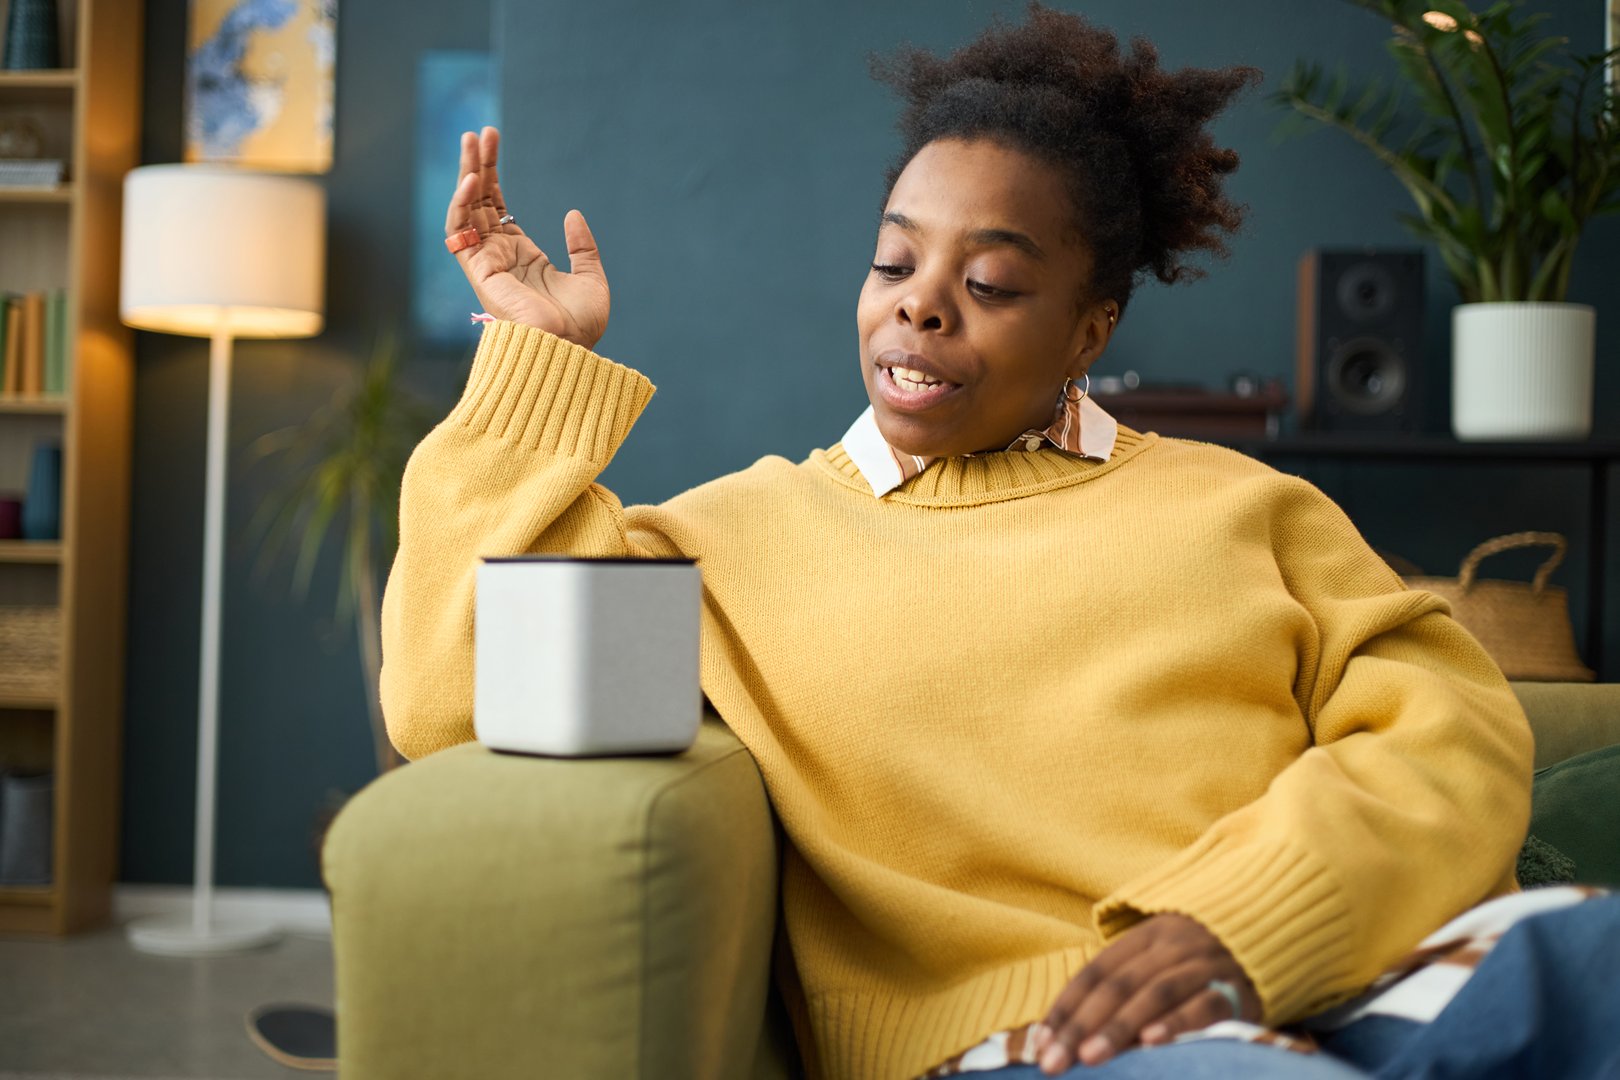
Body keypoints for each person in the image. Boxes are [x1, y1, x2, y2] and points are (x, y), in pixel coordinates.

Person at [381, 5, 1616, 1078]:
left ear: (1090, 329)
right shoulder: (736, 541)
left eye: (992, 283)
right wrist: (537, 356)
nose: (920, 302)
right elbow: (452, 687)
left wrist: (1245, 925)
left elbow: (1450, 728)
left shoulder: (1248, 508)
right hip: (1045, 1042)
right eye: (894, 261)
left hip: (1352, 976)